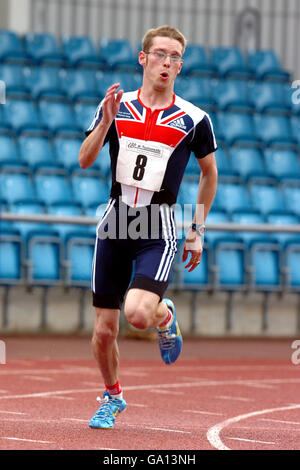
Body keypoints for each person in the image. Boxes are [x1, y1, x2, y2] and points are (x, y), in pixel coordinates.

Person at [78, 25, 218, 429]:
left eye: (176, 57)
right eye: (160, 54)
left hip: (157, 226)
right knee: (104, 331)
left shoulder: (195, 118)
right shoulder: (116, 106)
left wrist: (197, 229)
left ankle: (162, 313)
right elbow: (85, 159)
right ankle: (113, 396)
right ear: (143, 58)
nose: (167, 63)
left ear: (180, 66)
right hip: (116, 220)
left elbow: (209, 174)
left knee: (137, 315)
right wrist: (104, 124)